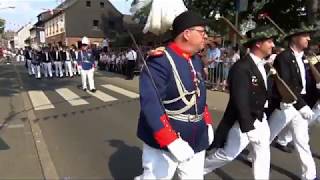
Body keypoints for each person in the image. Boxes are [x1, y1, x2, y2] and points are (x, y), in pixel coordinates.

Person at [135, 11, 214, 180]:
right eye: (201, 32)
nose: (205, 36)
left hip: (196, 137)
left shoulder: (195, 60)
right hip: (166, 142)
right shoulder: (160, 61)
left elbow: (199, 96)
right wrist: (170, 140)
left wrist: (206, 122)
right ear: (186, 34)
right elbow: (151, 104)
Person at [204, 25, 278, 180]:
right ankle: (198, 170)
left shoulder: (262, 66)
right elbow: (240, 99)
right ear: (258, 43)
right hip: (245, 120)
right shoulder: (242, 67)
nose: (273, 45)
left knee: (263, 152)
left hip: (260, 117)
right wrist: (247, 127)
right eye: (270, 41)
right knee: (228, 154)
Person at [267, 24, 319, 180]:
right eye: (305, 36)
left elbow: (304, 81)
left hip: (300, 103)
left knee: (303, 141)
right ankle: (252, 156)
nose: (309, 38)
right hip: (287, 103)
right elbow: (286, 83)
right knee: (267, 136)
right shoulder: (284, 58)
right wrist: (301, 105)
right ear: (295, 38)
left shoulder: (302, 57)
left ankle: (309, 176)